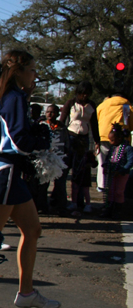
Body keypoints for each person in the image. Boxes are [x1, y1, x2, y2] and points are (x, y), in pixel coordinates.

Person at [0, 50, 58, 308]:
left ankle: (27, 292)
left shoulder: (5, 95)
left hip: (9, 172)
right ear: (18, 71)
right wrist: (41, 141)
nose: (35, 74)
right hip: (2, 171)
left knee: (33, 230)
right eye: (32, 69)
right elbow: (18, 141)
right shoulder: (14, 97)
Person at [58, 81, 100, 213]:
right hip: (71, 137)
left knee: (81, 171)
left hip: (84, 138)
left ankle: (80, 201)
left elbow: (94, 124)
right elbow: (62, 120)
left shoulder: (91, 105)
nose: (84, 96)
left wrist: (97, 141)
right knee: (65, 168)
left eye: (87, 94)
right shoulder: (70, 103)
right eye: (82, 93)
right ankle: (62, 199)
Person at [96, 88, 132, 194]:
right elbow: (131, 123)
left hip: (103, 136)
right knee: (119, 161)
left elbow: (96, 119)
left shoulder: (102, 105)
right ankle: (116, 183)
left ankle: (102, 186)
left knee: (102, 162)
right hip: (120, 138)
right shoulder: (127, 106)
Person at [100, 123, 132, 219]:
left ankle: (118, 211)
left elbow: (130, 161)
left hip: (122, 173)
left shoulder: (127, 148)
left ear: (119, 139)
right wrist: (105, 166)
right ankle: (108, 209)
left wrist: (123, 170)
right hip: (112, 172)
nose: (111, 142)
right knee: (110, 191)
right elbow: (108, 159)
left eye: (112, 140)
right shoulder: (112, 148)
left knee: (119, 192)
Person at [45, 104, 70, 213]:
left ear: (58, 114)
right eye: (48, 112)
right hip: (44, 158)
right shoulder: (42, 125)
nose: (50, 114)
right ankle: (42, 205)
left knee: (60, 184)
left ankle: (60, 206)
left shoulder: (62, 128)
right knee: (43, 184)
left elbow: (67, 143)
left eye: (53, 112)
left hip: (59, 158)